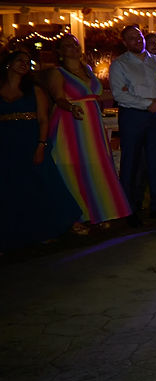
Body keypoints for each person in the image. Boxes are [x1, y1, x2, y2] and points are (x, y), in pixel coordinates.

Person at [46, 34, 131, 229]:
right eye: (68, 45)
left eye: (75, 44)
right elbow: (58, 98)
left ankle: (98, 211)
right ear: (59, 52)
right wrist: (70, 108)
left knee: (95, 166)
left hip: (92, 124)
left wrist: (128, 92)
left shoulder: (88, 70)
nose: (74, 48)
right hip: (70, 123)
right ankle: (75, 217)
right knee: (71, 167)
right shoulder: (57, 73)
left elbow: (96, 95)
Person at [1, 49, 81, 250]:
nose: (24, 64)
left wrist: (41, 145)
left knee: (39, 184)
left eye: (28, 62)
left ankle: (45, 230)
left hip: (30, 140)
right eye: (20, 60)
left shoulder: (34, 90)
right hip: (6, 142)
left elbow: (44, 120)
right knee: (9, 188)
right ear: (8, 64)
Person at [109, 25, 156, 225]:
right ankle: (129, 208)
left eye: (139, 37)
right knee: (132, 163)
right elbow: (120, 94)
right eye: (131, 38)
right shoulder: (120, 64)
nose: (137, 41)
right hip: (133, 116)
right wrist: (149, 103)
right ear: (125, 42)